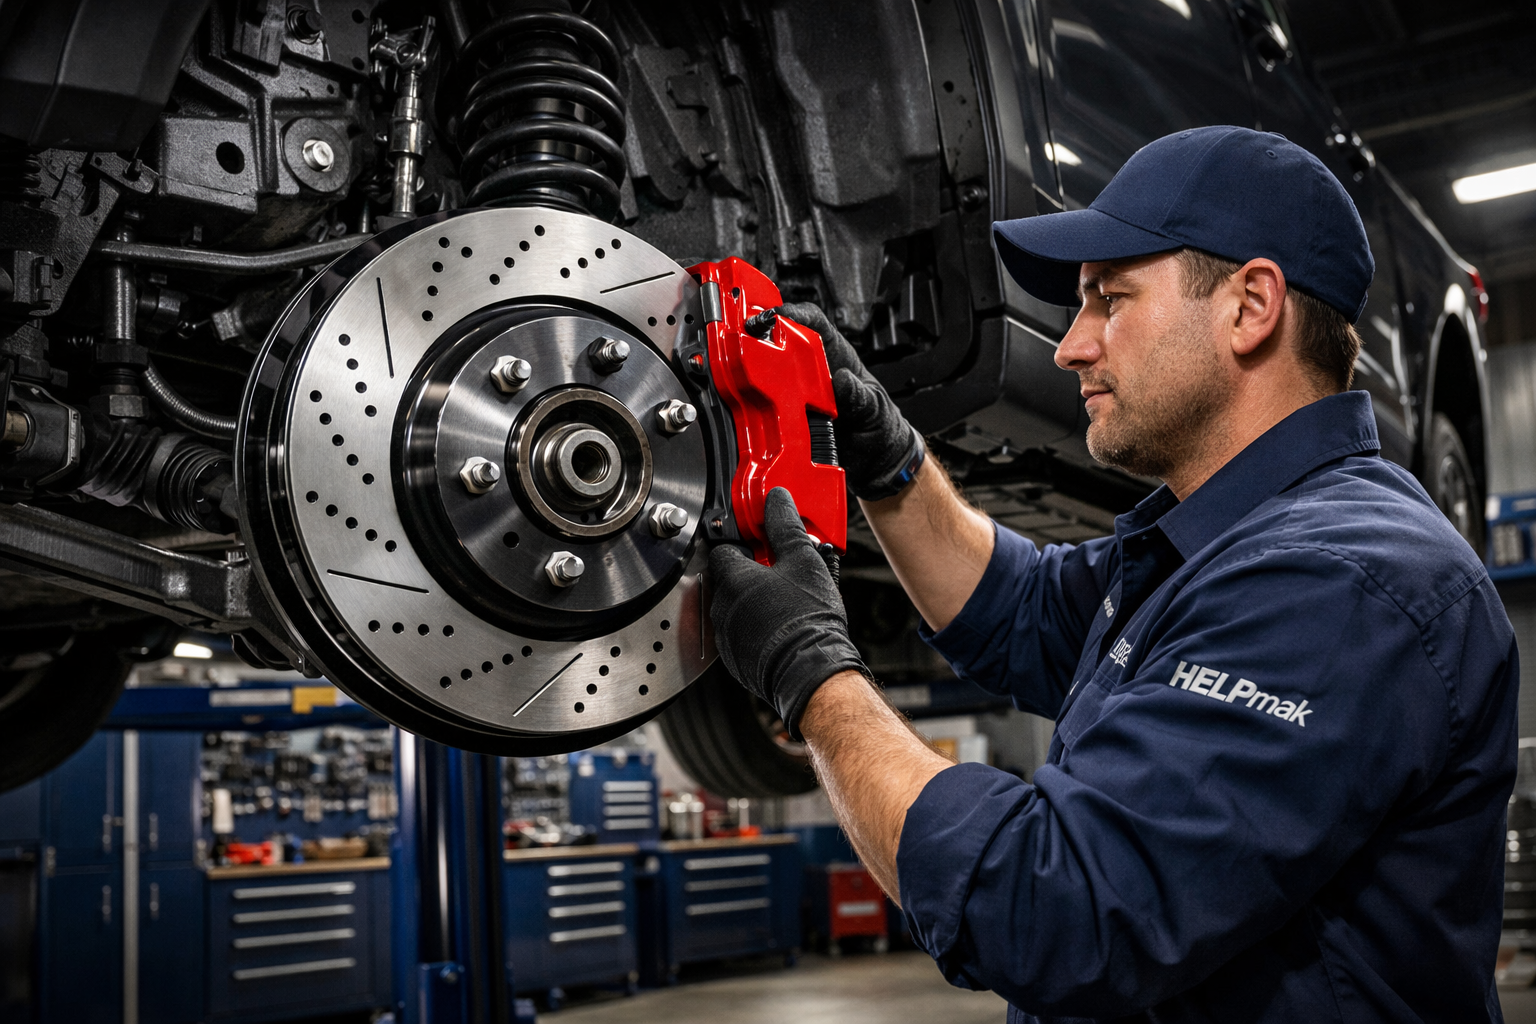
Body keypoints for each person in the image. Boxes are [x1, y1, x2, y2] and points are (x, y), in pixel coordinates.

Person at [707, 126, 1517, 1021]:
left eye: (1109, 299)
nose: (1071, 346)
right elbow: (1017, 609)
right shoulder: (1222, 542)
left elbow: (1053, 909)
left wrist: (812, 675)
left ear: (1251, 306)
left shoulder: (1343, 582)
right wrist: (890, 461)